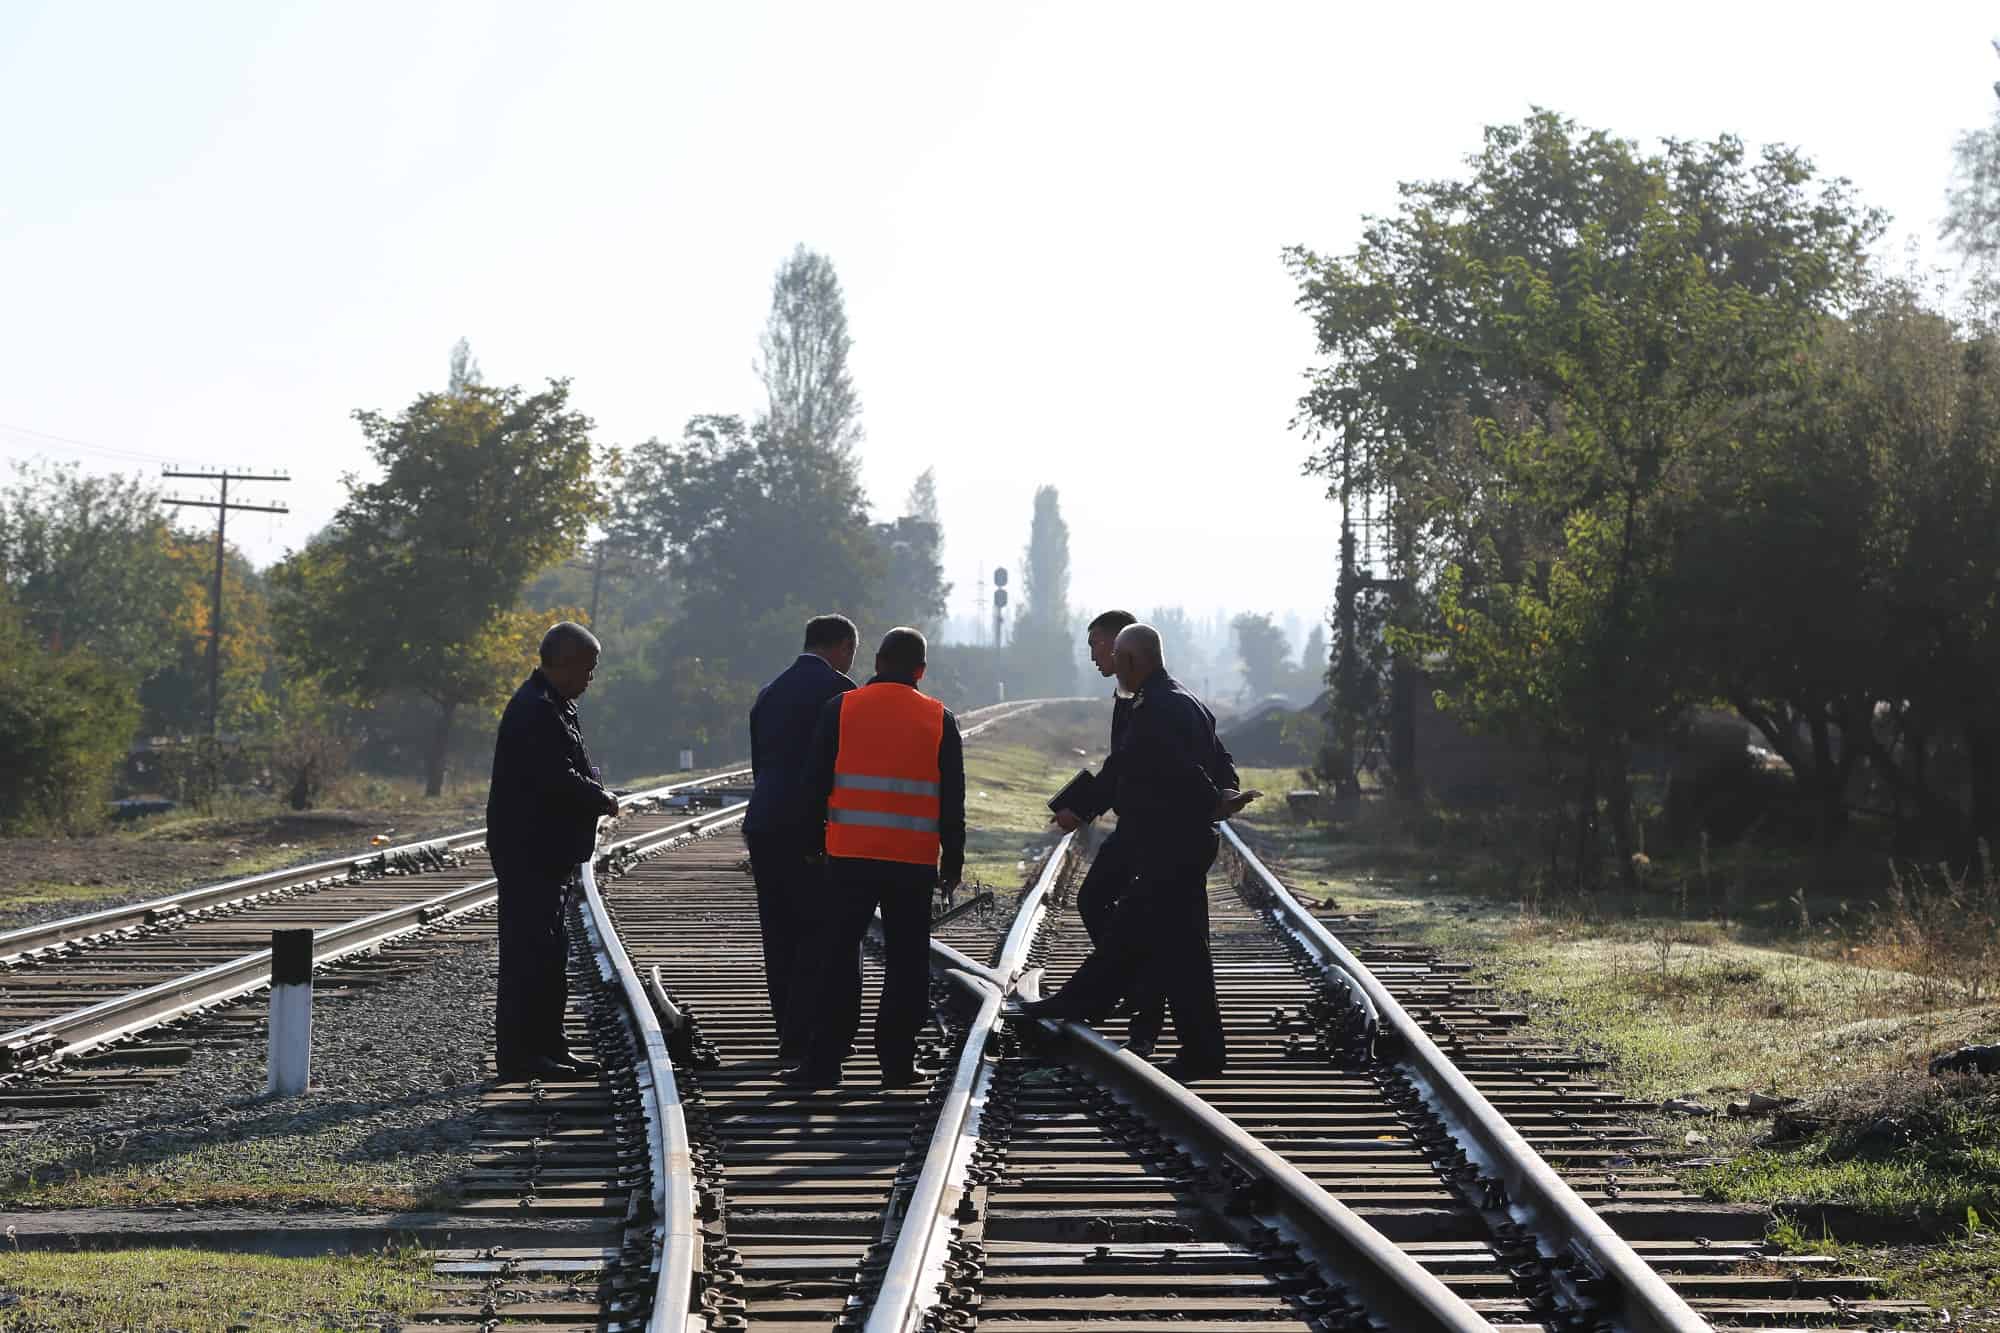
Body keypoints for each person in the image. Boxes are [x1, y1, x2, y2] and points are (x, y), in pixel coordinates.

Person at [1021, 623, 1259, 1082]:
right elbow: (1217, 760)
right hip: (1184, 841)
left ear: (1134, 661)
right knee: (1185, 950)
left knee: (1131, 931)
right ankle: (1203, 1052)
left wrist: (1214, 799)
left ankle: (1083, 1000)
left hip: (1171, 843)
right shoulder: (1186, 701)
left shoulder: (1155, 709)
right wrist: (1224, 793)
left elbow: (1151, 769)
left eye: (1119, 660)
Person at [789, 627, 967, 1090]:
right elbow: (953, 799)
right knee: (907, 961)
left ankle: (825, 1063)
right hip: (912, 861)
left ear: (877, 661)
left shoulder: (841, 709)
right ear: (920, 671)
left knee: (838, 956)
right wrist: (953, 861)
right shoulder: (938, 718)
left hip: (849, 856)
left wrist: (810, 844)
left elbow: (814, 784)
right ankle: (896, 1063)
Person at [485, 622, 620, 1081]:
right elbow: (554, 777)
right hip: (529, 853)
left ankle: (550, 1047)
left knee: (550, 956)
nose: (590, 678)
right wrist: (600, 798)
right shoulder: (534, 710)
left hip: (547, 854)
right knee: (528, 956)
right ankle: (521, 1055)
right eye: (588, 667)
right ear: (563, 662)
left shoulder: (556, 705)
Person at [745, 614, 859, 1065]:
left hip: (765, 822)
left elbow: (760, 766)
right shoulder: (844, 694)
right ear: (843, 648)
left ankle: (788, 1036)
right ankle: (812, 1034)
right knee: (820, 932)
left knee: (780, 934)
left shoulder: (768, 693)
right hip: (815, 828)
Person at [1050, 609, 1165, 1053]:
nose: (1094, 654)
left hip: (1148, 827)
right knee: (1101, 900)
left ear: (1123, 648)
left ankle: (1132, 992)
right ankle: (1132, 993)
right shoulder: (1127, 694)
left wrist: (1079, 810)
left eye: (1098, 644)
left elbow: (1122, 766)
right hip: (1135, 822)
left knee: (1100, 899)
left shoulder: (1150, 699)